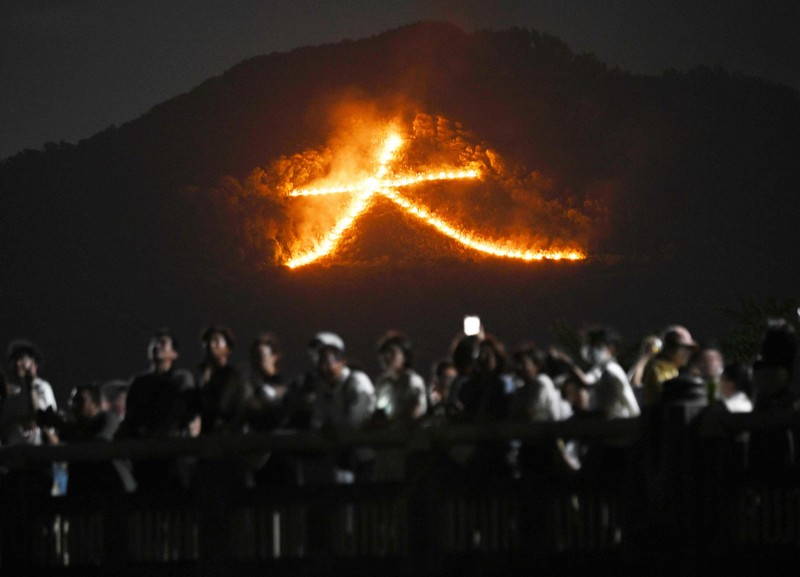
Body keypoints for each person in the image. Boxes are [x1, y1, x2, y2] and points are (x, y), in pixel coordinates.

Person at [116, 329, 196, 491]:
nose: (156, 346)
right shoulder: (139, 382)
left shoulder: (180, 378)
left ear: (174, 354)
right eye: (153, 343)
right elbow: (130, 416)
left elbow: (182, 411)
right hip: (144, 453)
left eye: (162, 343)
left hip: (172, 452)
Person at [311, 333, 376, 482]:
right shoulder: (323, 388)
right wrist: (323, 428)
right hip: (341, 460)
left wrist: (330, 429)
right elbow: (316, 420)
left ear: (342, 362)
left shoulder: (357, 381)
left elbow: (355, 421)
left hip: (366, 457)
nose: (324, 368)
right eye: (321, 362)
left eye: (329, 362)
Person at [556, 328, 640, 420]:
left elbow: (630, 404)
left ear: (611, 349)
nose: (594, 351)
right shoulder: (601, 369)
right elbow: (587, 380)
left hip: (619, 423)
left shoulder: (612, 370)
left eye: (598, 346)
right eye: (593, 346)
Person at [197, 325, 246, 435]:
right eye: (207, 341)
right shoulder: (201, 374)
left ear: (228, 348)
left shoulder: (232, 376)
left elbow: (221, 405)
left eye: (216, 341)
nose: (210, 344)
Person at [373, 332, 427, 423]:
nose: (387, 357)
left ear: (405, 356)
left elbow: (417, 413)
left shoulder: (413, 381)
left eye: (392, 352)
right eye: (384, 353)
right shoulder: (382, 382)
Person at [642, 325, 698, 408]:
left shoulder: (671, 368)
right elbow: (670, 398)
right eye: (685, 348)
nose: (688, 353)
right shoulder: (660, 368)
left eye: (690, 349)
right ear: (669, 348)